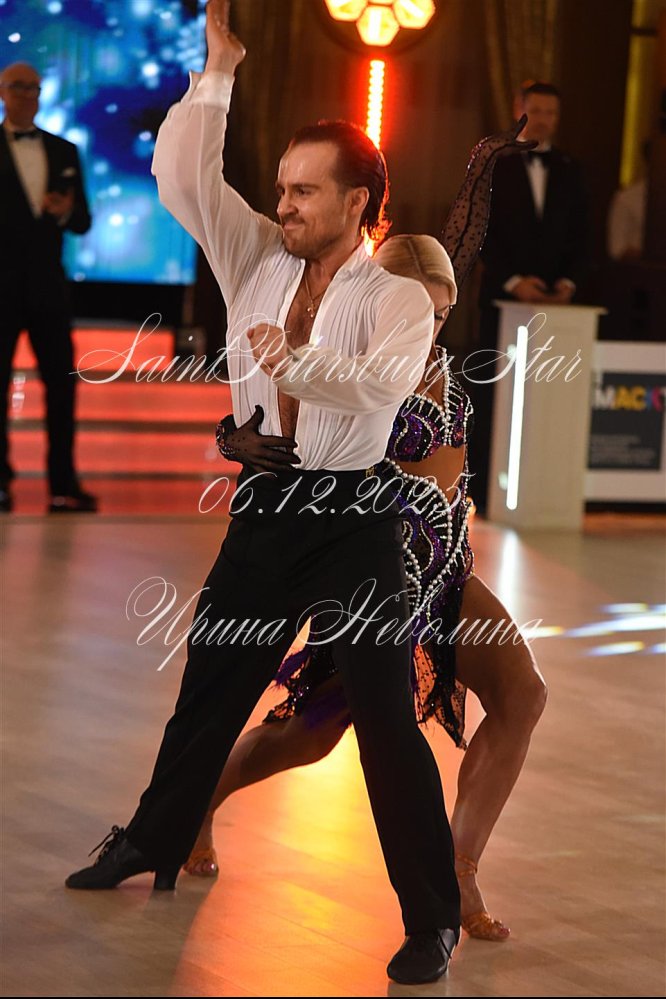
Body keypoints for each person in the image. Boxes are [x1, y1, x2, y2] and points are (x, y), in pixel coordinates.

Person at [65, 2, 461, 985]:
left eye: (304, 191)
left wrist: (298, 364)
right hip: (269, 506)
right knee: (208, 688)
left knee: (384, 721)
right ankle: (151, 841)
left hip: (355, 517)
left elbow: (378, 387)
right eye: (281, 186)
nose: (283, 204)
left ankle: (432, 918)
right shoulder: (254, 254)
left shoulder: (398, 298)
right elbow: (181, 177)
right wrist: (219, 72)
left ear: (360, 201)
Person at [183, 134, 546, 945]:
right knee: (309, 737)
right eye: (422, 309)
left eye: (442, 312)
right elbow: (279, 427)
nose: (431, 325)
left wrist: (482, 167)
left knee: (523, 692)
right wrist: (233, 439)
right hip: (372, 577)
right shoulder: (347, 356)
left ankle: (460, 868)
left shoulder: (440, 363)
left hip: (443, 573)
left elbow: (456, 245)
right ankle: (195, 804)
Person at [470, 80, 588, 512]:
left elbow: (583, 235)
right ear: (519, 111)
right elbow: (479, 230)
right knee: (492, 396)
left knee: (550, 402)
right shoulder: (494, 164)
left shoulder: (571, 169)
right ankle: (483, 494)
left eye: (551, 113)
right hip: (501, 304)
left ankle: (543, 495)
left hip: (556, 313)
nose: (543, 120)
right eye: (536, 111)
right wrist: (513, 281)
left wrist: (568, 283)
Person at [0, 61, 97, 513]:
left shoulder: (64, 150)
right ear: (3, 92)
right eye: (18, 87)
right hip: (0, 289)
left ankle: (63, 483)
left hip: (47, 288)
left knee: (62, 386)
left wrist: (63, 211)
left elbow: (83, 220)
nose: (27, 96)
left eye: (34, 88)